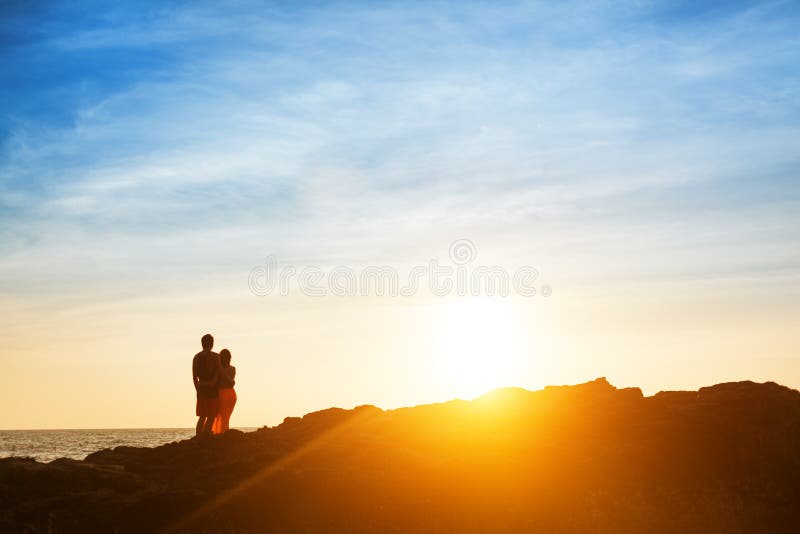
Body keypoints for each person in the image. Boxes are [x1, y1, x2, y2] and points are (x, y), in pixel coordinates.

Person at [192, 334, 220, 436]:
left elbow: (194, 377)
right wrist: (212, 383)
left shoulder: (196, 357)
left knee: (202, 416)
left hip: (202, 388)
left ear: (202, 344)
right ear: (212, 344)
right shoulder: (216, 357)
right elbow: (218, 374)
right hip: (212, 389)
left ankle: (199, 436)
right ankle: (206, 434)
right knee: (211, 415)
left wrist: (198, 389)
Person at [212, 349, 237, 434]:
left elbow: (231, 382)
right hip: (224, 394)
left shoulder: (231, 369)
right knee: (222, 416)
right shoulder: (221, 369)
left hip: (227, 394)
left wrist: (221, 371)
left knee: (225, 416)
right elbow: (230, 382)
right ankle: (222, 432)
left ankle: (223, 433)